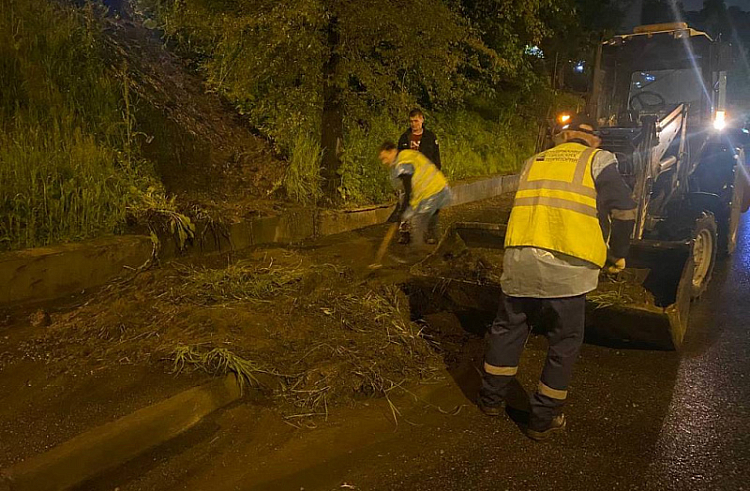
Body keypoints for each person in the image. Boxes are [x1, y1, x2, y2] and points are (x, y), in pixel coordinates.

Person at [477, 114, 637, 441]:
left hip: (520, 259)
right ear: (593, 139)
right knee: (563, 342)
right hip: (569, 268)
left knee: (508, 329)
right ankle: (542, 418)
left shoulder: (534, 161)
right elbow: (624, 211)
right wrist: (616, 254)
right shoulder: (599, 159)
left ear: (564, 136)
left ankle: (491, 401)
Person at [379, 142, 451, 249]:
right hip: (437, 187)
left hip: (431, 191)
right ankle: (441, 253)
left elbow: (408, 192)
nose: (384, 162)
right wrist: (400, 211)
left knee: (418, 223)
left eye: (385, 157)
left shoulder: (403, 163)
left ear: (393, 151)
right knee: (429, 225)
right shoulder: (404, 156)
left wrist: (401, 211)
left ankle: (421, 255)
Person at [397, 109, 442, 244]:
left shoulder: (430, 137)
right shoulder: (404, 138)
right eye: (411, 121)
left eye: (416, 121)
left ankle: (429, 233)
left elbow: (436, 159)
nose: (413, 124)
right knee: (405, 204)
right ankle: (404, 232)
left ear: (422, 120)